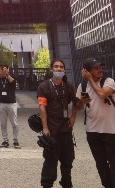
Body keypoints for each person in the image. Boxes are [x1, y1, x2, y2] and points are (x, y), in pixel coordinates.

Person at [77, 58, 115, 188]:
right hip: (92, 131)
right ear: (87, 71)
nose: (100, 70)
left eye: (100, 67)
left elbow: (102, 94)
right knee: (100, 163)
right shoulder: (82, 86)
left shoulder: (108, 81)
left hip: (109, 130)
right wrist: (82, 101)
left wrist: (90, 79)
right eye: (96, 68)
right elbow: (79, 107)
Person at [37, 59, 78, 188]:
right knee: (50, 159)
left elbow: (76, 103)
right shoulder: (44, 86)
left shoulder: (68, 86)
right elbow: (42, 107)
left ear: (64, 70)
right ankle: (47, 184)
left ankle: (66, 182)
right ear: (51, 69)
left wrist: (73, 117)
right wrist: (45, 127)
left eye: (61, 67)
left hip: (66, 127)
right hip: (51, 127)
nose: (59, 69)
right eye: (56, 67)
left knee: (68, 158)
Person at [0, 64, 20, 149]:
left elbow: (14, 84)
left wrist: (7, 74)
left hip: (11, 104)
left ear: (4, 70)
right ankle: (5, 141)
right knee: (3, 124)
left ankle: (15, 140)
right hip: (1, 104)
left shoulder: (11, 77)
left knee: (14, 123)